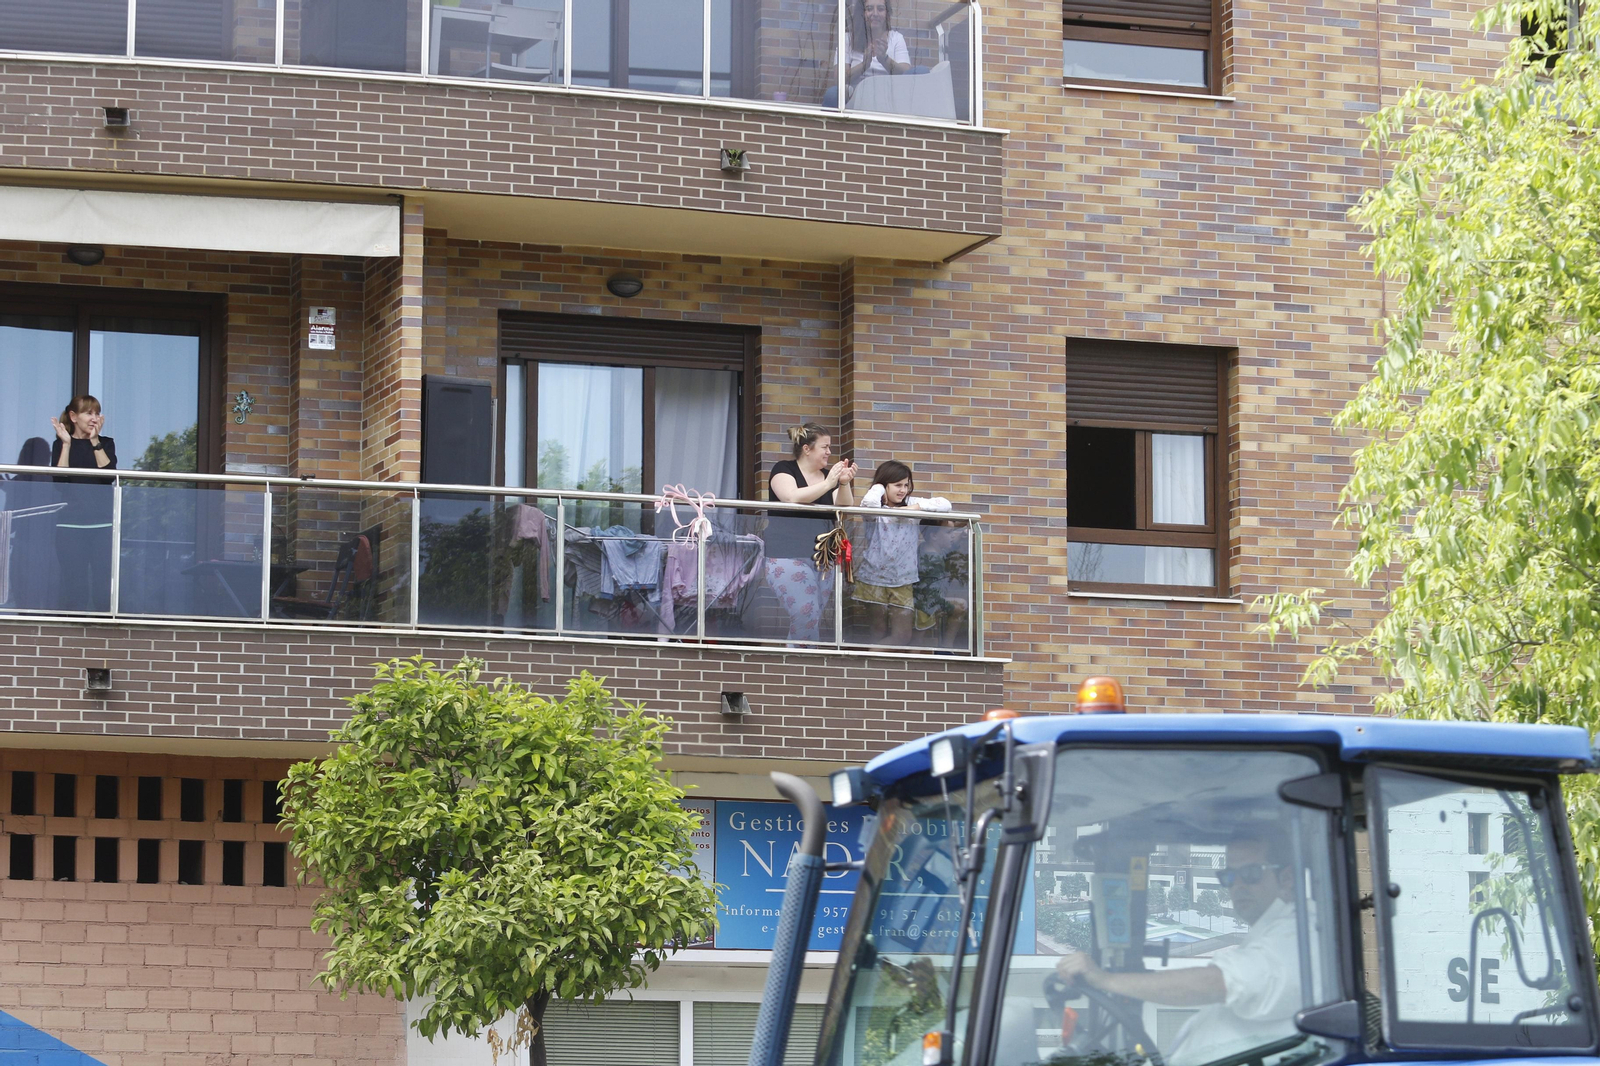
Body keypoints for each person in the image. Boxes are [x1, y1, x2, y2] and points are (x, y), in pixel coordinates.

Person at [1054, 830, 1303, 1066]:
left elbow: (1220, 984)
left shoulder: (1298, 934)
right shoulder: (1269, 935)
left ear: (1287, 878)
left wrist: (1104, 979)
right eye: (1229, 876)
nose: (1237, 885)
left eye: (1250, 873)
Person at [765, 422, 856, 644]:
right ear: (807, 449)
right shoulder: (784, 469)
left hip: (821, 560)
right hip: (786, 555)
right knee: (806, 612)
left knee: (811, 616)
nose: (829, 452)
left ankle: (799, 660)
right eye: (824, 447)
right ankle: (798, 662)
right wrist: (828, 484)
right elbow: (791, 497)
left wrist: (843, 484)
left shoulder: (828, 478)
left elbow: (844, 507)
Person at [852, 460, 951, 646]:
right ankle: (873, 669)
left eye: (906, 485)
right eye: (897, 485)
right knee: (878, 630)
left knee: (902, 636)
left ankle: (871, 656)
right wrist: (879, 486)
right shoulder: (876, 509)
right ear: (884, 485)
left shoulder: (912, 504)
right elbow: (869, 502)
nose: (903, 490)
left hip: (903, 580)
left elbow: (945, 504)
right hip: (873, 578)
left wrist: (909, 510)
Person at [50, 395, 117, 613]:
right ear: (73, 416)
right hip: (70, 526)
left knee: (103, 587)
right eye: (89, 413)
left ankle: (104, 636)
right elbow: (60, 483)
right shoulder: (59, 444)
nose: (94, 418)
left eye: (97, 413)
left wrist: (95, 441)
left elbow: (108, 477)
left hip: (103, 526)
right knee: (74, 586)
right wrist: (67, 445)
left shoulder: (106, 443)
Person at [847, 0, 911, 81]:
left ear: (887, 13)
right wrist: (864, 64)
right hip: (856, 92)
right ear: (862, 13)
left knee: (921, 70)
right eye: (869, 9)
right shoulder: (848, 39)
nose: (875, 14)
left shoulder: (896, 38)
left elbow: (907, 76)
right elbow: (839, 79)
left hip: (889, 92)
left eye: (880, 9)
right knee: (833, 92)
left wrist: (884, 59)